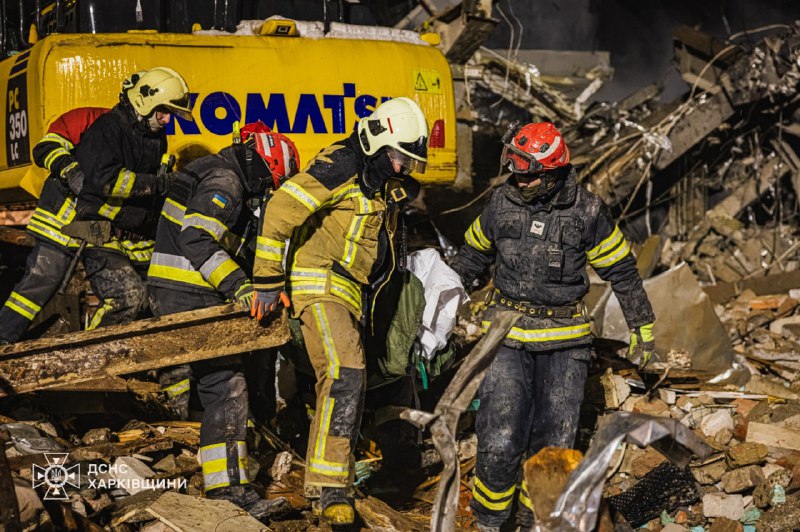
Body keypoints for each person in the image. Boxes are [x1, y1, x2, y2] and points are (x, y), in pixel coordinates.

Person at [450, 122, 656, 530]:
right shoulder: (500, 203)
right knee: (500, 435)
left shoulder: (587, 212)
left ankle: (534, 519)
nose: (518, 178)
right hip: (506, 336)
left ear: (552, 171)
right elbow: (470, 257)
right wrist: (439, 303)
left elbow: (621, 269)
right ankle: (490, 522)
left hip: (565, 344)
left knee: (554, 442)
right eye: (513, 166)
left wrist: (642, 324)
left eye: (527, 171)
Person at [250, 97, 428, 525]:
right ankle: (332, 489)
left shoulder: (378, 179)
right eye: (401, 159)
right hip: (319, 283)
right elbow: (279, 210)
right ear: (380, 145)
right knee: (345, 371)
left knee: (350, 377)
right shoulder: (342, 165)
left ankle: (325, 481)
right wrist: (267, 281)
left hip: (349, 292)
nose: (404, 168)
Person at [147, 121, 299, 520]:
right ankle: (229, 491)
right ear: (263, 166)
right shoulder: (226, 180)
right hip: (190, 293)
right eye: (269, 183)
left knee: (212, 383)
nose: (266, 191)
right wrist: (239, 286)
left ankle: (216, 478)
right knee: (227, 385)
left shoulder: (216, 170)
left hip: (178, 291)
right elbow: (196, 238)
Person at [74, 67, 192, 329]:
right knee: (128, 298)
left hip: (137, 236)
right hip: (100, 233)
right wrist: (160, 184)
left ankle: (148, 357)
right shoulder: (108, 129)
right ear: (144, 102)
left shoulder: (154, 137)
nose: (167, 120)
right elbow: (107, 181)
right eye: (163, 112)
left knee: (165, 299)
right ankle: (92, 352)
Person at [0, 106, 108, 343]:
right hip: (59, 224)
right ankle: (4, 337)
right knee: (41, 280)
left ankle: (96, 348)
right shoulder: (87, 118)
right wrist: (71, 171)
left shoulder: (144, 139)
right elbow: (45, 148)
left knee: (114, 291)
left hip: (101, 229)